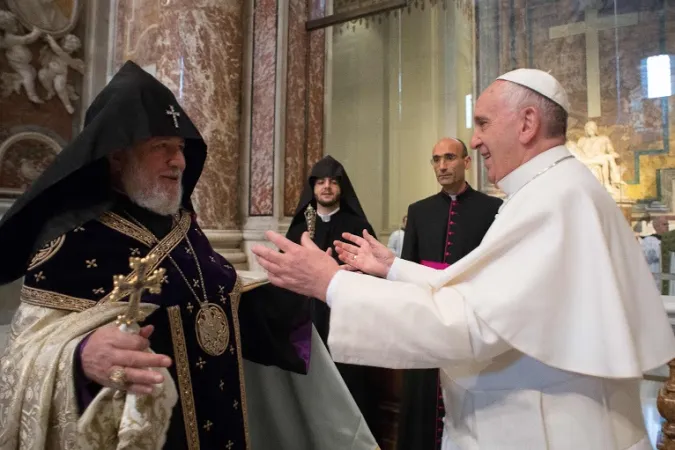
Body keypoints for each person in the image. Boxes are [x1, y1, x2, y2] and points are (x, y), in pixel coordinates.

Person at [252, 68, 675, 449]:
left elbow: (471, 323)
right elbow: (483, 294)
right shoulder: (550, 190)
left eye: (483, 124)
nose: (475, 140)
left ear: (527, 123)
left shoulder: (556, 199)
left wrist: (333, 284)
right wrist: (393, 267)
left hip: (544, 428)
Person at [0, 61, 378, 450]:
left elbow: (218, 299)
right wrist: (80, 356)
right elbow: (24, 356)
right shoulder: (69, 240)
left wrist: (312, 283)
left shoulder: (182, 225)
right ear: (116, 155)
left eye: (179, 147)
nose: (178, 160)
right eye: (160, 147)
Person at [398, 137, 502, 450]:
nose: (442, 166)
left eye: (449, 158)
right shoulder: (419, 211)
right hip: (427, 322)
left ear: (466, 162)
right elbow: (406, 270)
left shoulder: (493, 209)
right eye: (436, 160)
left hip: (470, 323)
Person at [285, 154, 380, 434]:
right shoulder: (300, 228)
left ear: (342, 187)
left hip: (345, 321)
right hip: (305, 323)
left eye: (333, 182)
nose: (327, 187)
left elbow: (374, 274)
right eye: (321, 182)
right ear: (312, 187)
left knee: (347, 389)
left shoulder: (357, 226)